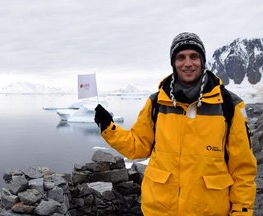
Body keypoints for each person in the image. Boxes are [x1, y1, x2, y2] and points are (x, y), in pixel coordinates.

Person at [94, 32, 257, 215]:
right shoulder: (157, 103)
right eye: (181, 57)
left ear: (202, 61)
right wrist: (109, 128)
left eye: (194, 56)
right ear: (173, 63)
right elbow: (138, 146)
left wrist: (241, 211)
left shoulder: (229, 105)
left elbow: (242, 168)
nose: (188, 63)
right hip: (160, 209)